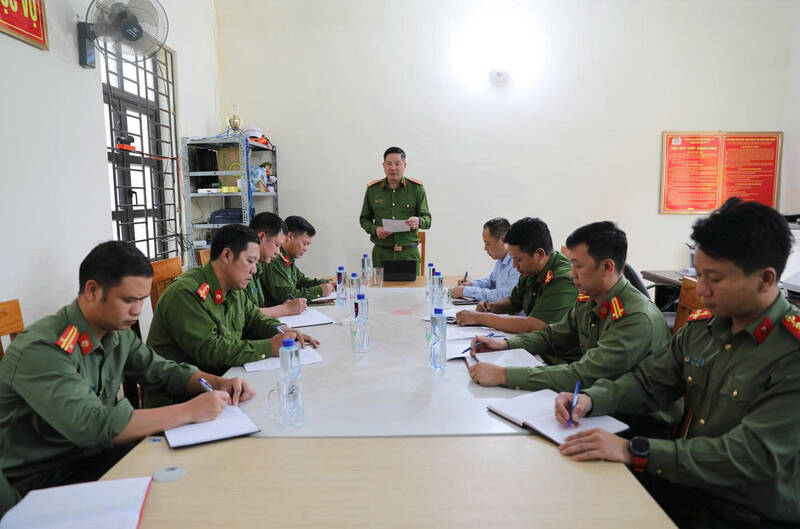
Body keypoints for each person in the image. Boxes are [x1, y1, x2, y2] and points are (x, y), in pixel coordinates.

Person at [556, 199, 800, 528]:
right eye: (699, 275)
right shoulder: (702, 329)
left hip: (749, 512)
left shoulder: (791, 353)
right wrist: (590, 399)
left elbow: (746, 456)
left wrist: (634, 449)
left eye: (714, 279)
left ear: (766, 279)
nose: (701, 290)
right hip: (691, 487)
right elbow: (648, 382)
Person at [0, 241, 255, 504]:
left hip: (92, 455)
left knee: (201, 473)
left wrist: (215, 383)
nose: (138, 310)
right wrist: (190, 411)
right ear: (92, 291)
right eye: (129, 300)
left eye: (142, 300)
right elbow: (93, 425)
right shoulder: (43, 349)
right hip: (42, 479)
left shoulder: (115, 332)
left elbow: (161, 370)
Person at [468, 222, 672, 402]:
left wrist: (504, 375)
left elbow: (584, 375)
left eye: (577, 266)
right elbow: (552, 335)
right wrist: (504, 344)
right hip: (593, 400)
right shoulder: (590, 300)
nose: (571, 273)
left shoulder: (635, 317)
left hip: (636, 421)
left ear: (607, 267)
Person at [145, 224, 318, 406]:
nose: (255, 270)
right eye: (250, 261)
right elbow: (211, 350)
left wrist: (283, 331)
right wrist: (269, 347)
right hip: (181, 399)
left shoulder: (232, 287)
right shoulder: (186, 293)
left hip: (224, 383)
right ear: (227, 255)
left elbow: (254, 318)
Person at [455, 217, 577, 334]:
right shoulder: (530, 269)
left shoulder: (563, 279)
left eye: (518, 260)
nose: (514, 265)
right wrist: (492, 307)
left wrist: (480, 318)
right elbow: (514, 302)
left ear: (539, 254)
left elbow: (534, 326)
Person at [359, 146, 432, 274]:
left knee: (411, 293)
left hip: (409, 254)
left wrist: (419, 221)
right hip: (382, 254)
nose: (393, 168)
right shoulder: (373, 190)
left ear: (404, 165)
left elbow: (427, 219)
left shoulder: (417, 189)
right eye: (389, 164)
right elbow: (364, 219)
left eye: (397, 164)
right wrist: (375, 230)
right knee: (380, 293)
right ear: (383, 165)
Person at [259, 215, 334, 305]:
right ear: (290, 236)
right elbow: (285, 295)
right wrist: (318, 291)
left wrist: (328, 283)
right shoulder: (274, 259)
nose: (306, 249)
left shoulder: (287, 258)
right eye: (304, 243)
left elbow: (301, 281)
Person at [245, 212, 308, 317]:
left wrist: (281, 328)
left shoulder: (258, 267)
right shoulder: (241, 268)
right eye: (277, 245)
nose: (278, 252)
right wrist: (284, 309)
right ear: (261, 237)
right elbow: (245, 315)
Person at [452, 217, 520, 302]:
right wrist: (471, 284)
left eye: (487, 243)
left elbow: (503, 297)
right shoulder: (501, 259)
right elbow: (492, 282)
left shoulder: (517, 263)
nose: (485, 248)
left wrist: (467, 291)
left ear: (503, 240)